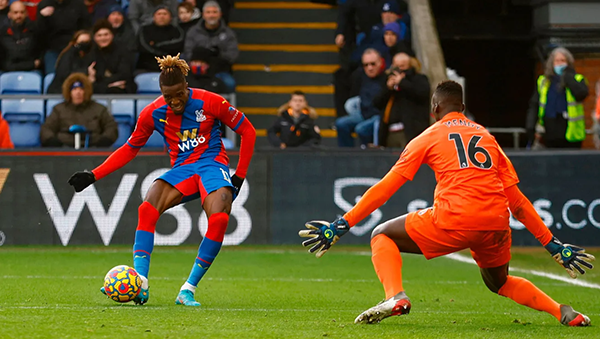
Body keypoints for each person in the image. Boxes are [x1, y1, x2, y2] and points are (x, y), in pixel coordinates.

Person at [300, 80, 595, 326]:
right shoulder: (488, 138)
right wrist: (553, 245)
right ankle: (562, 311)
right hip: (495, 223)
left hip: (454, 219)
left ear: (434, 108)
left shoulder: (428, 136)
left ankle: (395, 295)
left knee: (382, 234)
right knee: (499, 283)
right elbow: (517, 202)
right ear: (463, 109)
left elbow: (386, 187)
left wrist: (343, 224)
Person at [67, 54, 257, 306]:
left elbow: (248, 130)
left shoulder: (210, 101)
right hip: (183, 170)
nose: (175, 101)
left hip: (212, 165)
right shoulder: (152, 113)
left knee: (220, 216)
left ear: (186, 87)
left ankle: (187, 289)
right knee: (147, 207)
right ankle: (140, 284)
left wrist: (240, 175)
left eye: (179, 94)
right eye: (169, 97)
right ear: (161, 93)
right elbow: (129, 148)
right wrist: (94, 174)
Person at [526, 47, 588, 149]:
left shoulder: (577, 79)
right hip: (550, 130)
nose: (560, 64)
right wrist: (531, 126)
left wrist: (568, 77)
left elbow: (581, 94)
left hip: (571, 132)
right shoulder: (544, 82)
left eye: (563, 61)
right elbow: (534, 104)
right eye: (557, 61)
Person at [41, 72, 118, 147]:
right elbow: (46, 129)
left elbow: (111, 127)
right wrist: (56, 144)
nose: (78, 92)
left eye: (81, 89)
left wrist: (102, 142)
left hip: (92, 149)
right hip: (65, 149)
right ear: (69, 92)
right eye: (74, 89)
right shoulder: (58, 109)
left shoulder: (100, 109)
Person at [374, 53, 430, 148]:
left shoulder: (418, 79)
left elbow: (422, 94)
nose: (399, 70)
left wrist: (403, 83)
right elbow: (376, 103)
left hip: (410, 132)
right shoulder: (387, 81)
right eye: (396, 66)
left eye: (402, 66)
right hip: (390, 131)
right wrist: (388, 88)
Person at [335, 48, 386, 147]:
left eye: (373, 64)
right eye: (366, 65)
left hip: (378, 116)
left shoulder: (386, 79)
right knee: (341, 124)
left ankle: (367, 152)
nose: (369, 68)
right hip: (363, 114)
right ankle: (347, 154)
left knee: (361, 129)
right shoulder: (360, 77)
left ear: (380, 62)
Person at [0, 1, 41, 72]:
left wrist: (36, 63)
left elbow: (41, 50)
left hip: (32, 70)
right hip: (8, 70)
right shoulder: (3, 32)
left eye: (22, 12)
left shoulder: (34, 29)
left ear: (27, 14)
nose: (19, 16)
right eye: (15, 13)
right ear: (9, 14)